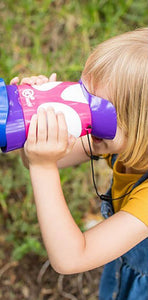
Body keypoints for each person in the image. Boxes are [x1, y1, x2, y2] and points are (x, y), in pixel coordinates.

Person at [13, 27, 148, 299]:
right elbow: (38, 156)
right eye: (83, 96)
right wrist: (36, 116)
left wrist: (43, 166)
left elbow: (71, 258)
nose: (85, 114)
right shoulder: (123, 140)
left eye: (100, 111)